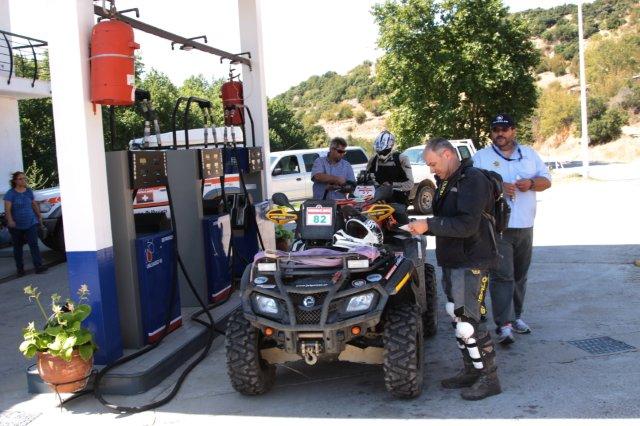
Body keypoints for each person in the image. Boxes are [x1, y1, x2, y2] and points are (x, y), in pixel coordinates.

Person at [408, 137, 501, 401]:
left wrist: (428, 225)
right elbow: (448, 218)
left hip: (472, 261)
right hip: (453, 260)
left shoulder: (472, 180)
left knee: (469, 322)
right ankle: (471, 370)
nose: (431, 169)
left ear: (447, 154)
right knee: (458, 317)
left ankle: (489, 379)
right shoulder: (447, 181)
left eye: (433, 163)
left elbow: (467, 225)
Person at [473, 113, 552, 344]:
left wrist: (531, 183)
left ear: (513, 131)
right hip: (498, 228)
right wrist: (496, 187)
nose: (500, 133)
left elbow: (547, 181)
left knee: (520, 275)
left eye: (504, 129)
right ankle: (503, 324)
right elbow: (472, 187)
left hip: (525, 225)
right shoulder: (481, 157)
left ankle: (516, 317)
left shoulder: (529, 154)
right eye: (496, 129)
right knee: (502, 276)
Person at [3, 171, 47, 276]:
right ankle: (20, 269)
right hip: (16, 225)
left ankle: (38, 266)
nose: (23, 180)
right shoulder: (10, 194)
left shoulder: (28, 191)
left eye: (24, 178)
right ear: (15, 181)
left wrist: (39, 216)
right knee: (18, 247)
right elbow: (7, 210)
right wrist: (10, 220)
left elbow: (33, 204)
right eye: (20, 179)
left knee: (34, 245)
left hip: (31, 222)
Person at [365, 130, 413, 223]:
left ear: (391, 147)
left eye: (384, 151)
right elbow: (365, 179)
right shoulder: (373, 160)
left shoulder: (401, 159)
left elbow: (410, 184)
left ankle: (407, 230)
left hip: (396, 201)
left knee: (402, 227)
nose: (381, 153)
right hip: (375, 201)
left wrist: (391, 185)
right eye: (379, 151)